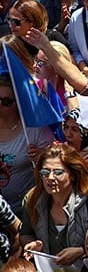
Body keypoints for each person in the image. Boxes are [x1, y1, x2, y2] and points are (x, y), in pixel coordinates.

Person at [20, 143, 88, 270]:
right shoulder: (32, 200)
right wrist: (32, 245)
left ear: (73, 175)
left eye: (58, 172)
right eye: (45, 172)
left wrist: (82, 251)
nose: (50, 178)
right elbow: (26, 233)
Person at [0, 71, 55, 217]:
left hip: (28, 210)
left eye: (6, 102)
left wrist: (41, 158)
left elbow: (55, 159)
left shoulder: (33, 130)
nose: (0, 105)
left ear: (18, 103)